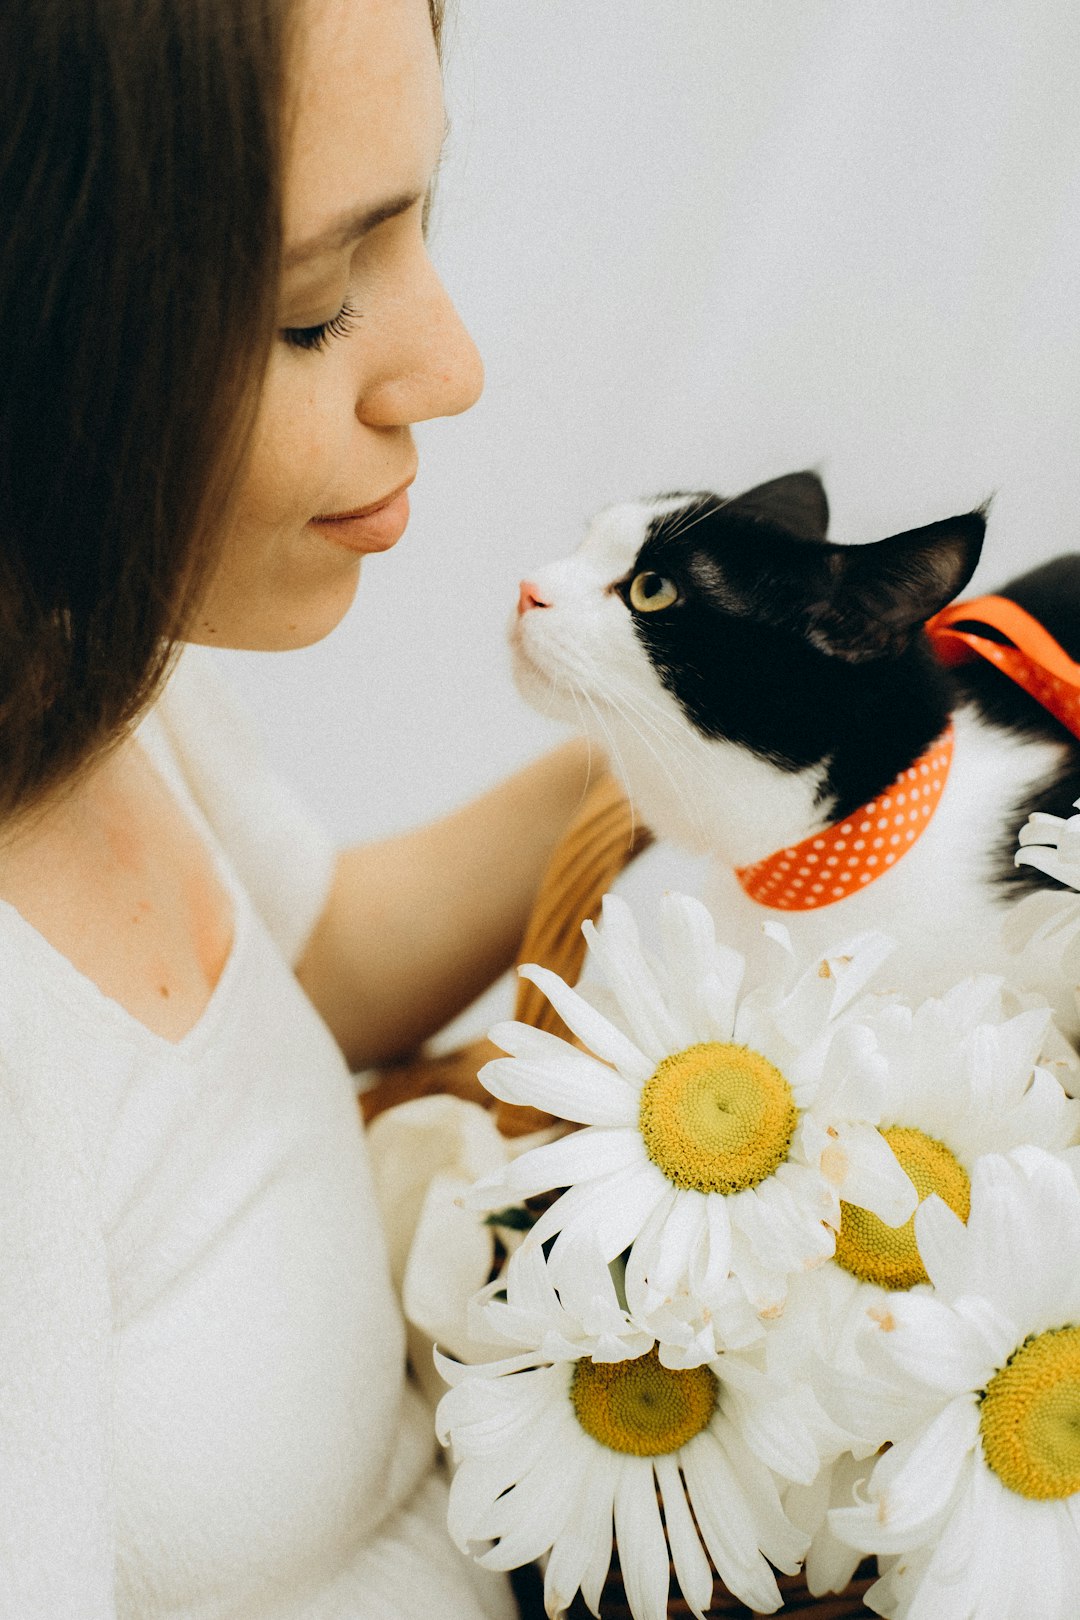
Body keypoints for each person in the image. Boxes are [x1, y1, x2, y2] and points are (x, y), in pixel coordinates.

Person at [0, 0, 594, 1614]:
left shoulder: (81, 661)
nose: (449, 369)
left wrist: (661, 748)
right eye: (317, 310)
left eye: (422, 220)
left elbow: (309, 961)